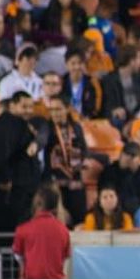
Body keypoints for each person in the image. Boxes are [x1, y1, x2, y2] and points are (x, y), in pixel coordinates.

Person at [0, 91, 40, 234]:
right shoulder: (9, 124)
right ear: (12, 106)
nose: (28, 111)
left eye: (30, 107)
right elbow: (1, 155)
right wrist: (5, 179)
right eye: (24, 106)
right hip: (11, 190)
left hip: (17, 187)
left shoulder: (16, 123)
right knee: (11, 232)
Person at [44, 96, 88, 225]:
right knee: (57, 223)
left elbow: (84, 149)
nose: (55, 113)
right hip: (55, 183)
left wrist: (84, 160)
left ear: (67, 109)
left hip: (75, 180)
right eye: (51, 110)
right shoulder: (47, 127)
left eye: (58, 109)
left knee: (79, 221)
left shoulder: (76, 127)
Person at [12, 186, 70, 279]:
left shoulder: (23, 230)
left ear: (37, 204)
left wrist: (23, 273)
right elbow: (65, 259)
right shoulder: (64, 231)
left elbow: (18, 256)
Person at [98, 142, 140, 216]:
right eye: (126, 155)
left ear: (139, 159)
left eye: (133, 157)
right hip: (114, 210)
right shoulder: (109, 172)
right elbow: (105, 194)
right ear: (120, 156)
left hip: (138, 212)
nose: (129, 159)